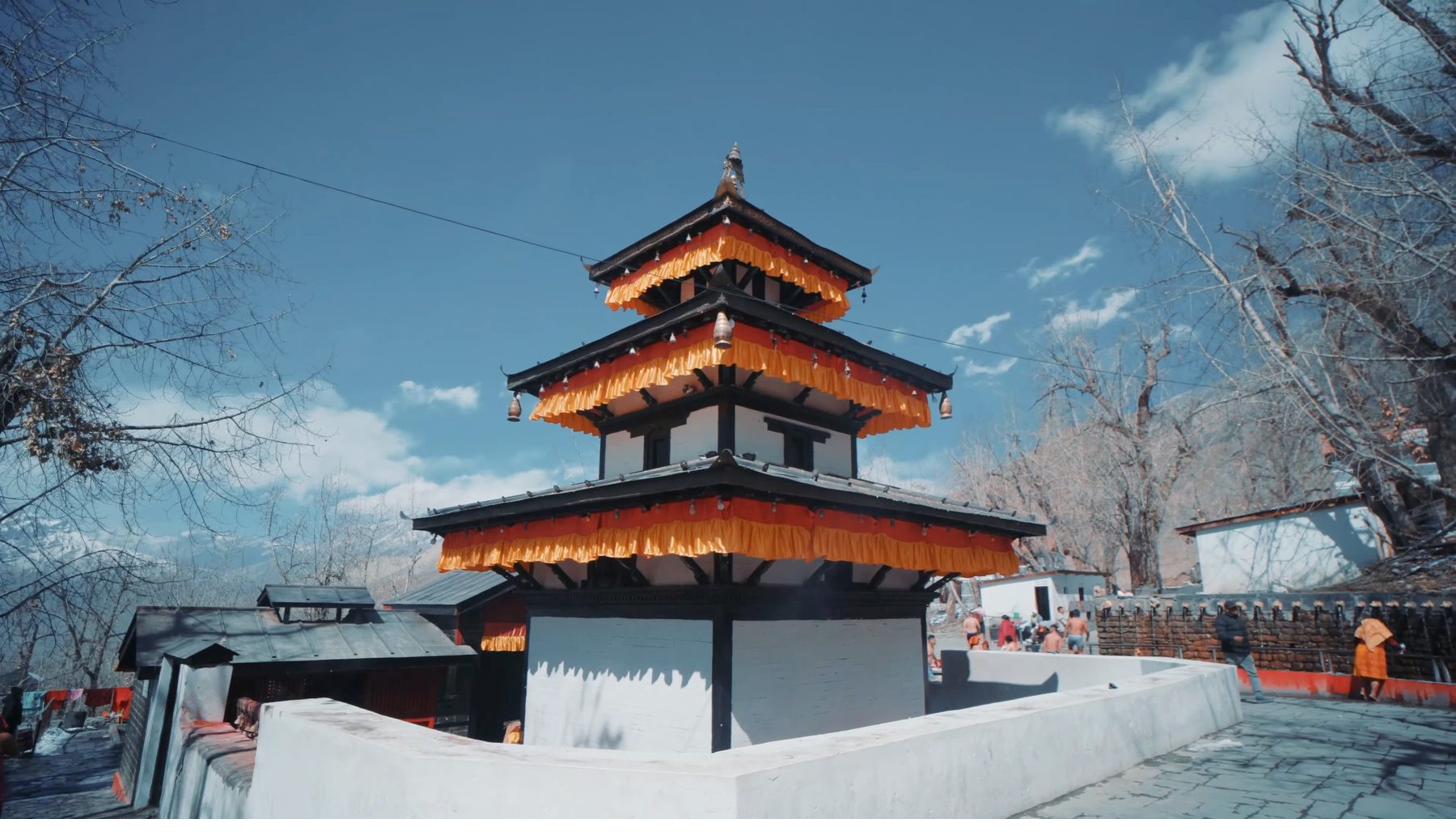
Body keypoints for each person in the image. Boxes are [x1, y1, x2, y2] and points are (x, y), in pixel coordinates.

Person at [1215, 601, 1266, 703]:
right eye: (1232, 609)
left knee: (1253, 673)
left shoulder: (1241, 618)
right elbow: (1221, 635)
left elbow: (1245, 633)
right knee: (1232, 675)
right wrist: (1233, 637)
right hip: (1231, 652)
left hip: (1244, 651)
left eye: (1235, 608)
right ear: (1226, 609)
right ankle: (1233, 695)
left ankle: (1259, 695)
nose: (1234, 610)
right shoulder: (1221, 620)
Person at [1353, 617, 1404, 702]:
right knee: (1376, 675)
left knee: (1363, 674)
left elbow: (1356, 638)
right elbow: (1390, 640)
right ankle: (1372, 695)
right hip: (1375, 651)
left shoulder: (1363, 625)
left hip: (1361, 650)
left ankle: (1362, 692)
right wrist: (1399, 647)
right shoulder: (1379, 627)